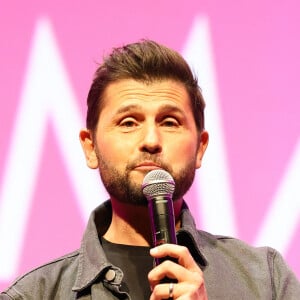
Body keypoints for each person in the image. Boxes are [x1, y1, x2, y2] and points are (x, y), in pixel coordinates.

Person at [1, 40, 300, 300]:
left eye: (169, 122)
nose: (151, 141)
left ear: (199, 147)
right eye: (129, 122)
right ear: (90, 147)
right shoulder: (34, 294)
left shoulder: (265, 281)